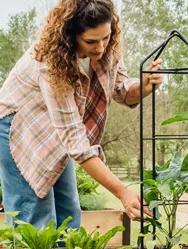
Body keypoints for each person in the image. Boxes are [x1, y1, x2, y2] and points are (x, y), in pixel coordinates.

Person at [0, 0, 162, 228]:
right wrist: (121, 191)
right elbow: (76, 140)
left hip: (59, 129)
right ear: (70, 36)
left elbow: (120, 88)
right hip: (19, 127)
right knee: (35, 217)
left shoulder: (107, 47)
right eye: (91, 41)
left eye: (105, 37)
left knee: (69, 212)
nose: (100, 47)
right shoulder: (51, 63)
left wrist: (144, 88)